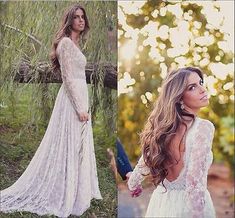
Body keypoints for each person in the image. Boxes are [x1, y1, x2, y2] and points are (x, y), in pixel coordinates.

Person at [0, 4, 102, 217]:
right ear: (69, 21)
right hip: (72, 100)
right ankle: (63, 191)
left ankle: (76, 191)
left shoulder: (76, 43)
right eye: (76, 17)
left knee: (78, 144)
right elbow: (66, 77)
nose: (81, 20)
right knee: (69, 142)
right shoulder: (65, 43)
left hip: (81, 96)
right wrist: (79, 108)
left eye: (83, 17)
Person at [127, 67, 216, 218]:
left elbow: (144, 163)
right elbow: (194, 184)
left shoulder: (161, 131)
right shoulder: (203, 128)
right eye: (192, 87)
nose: (203, 89)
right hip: (188, 209)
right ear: (180, 97)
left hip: (160, 205)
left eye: (200, 83)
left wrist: (133, 184)